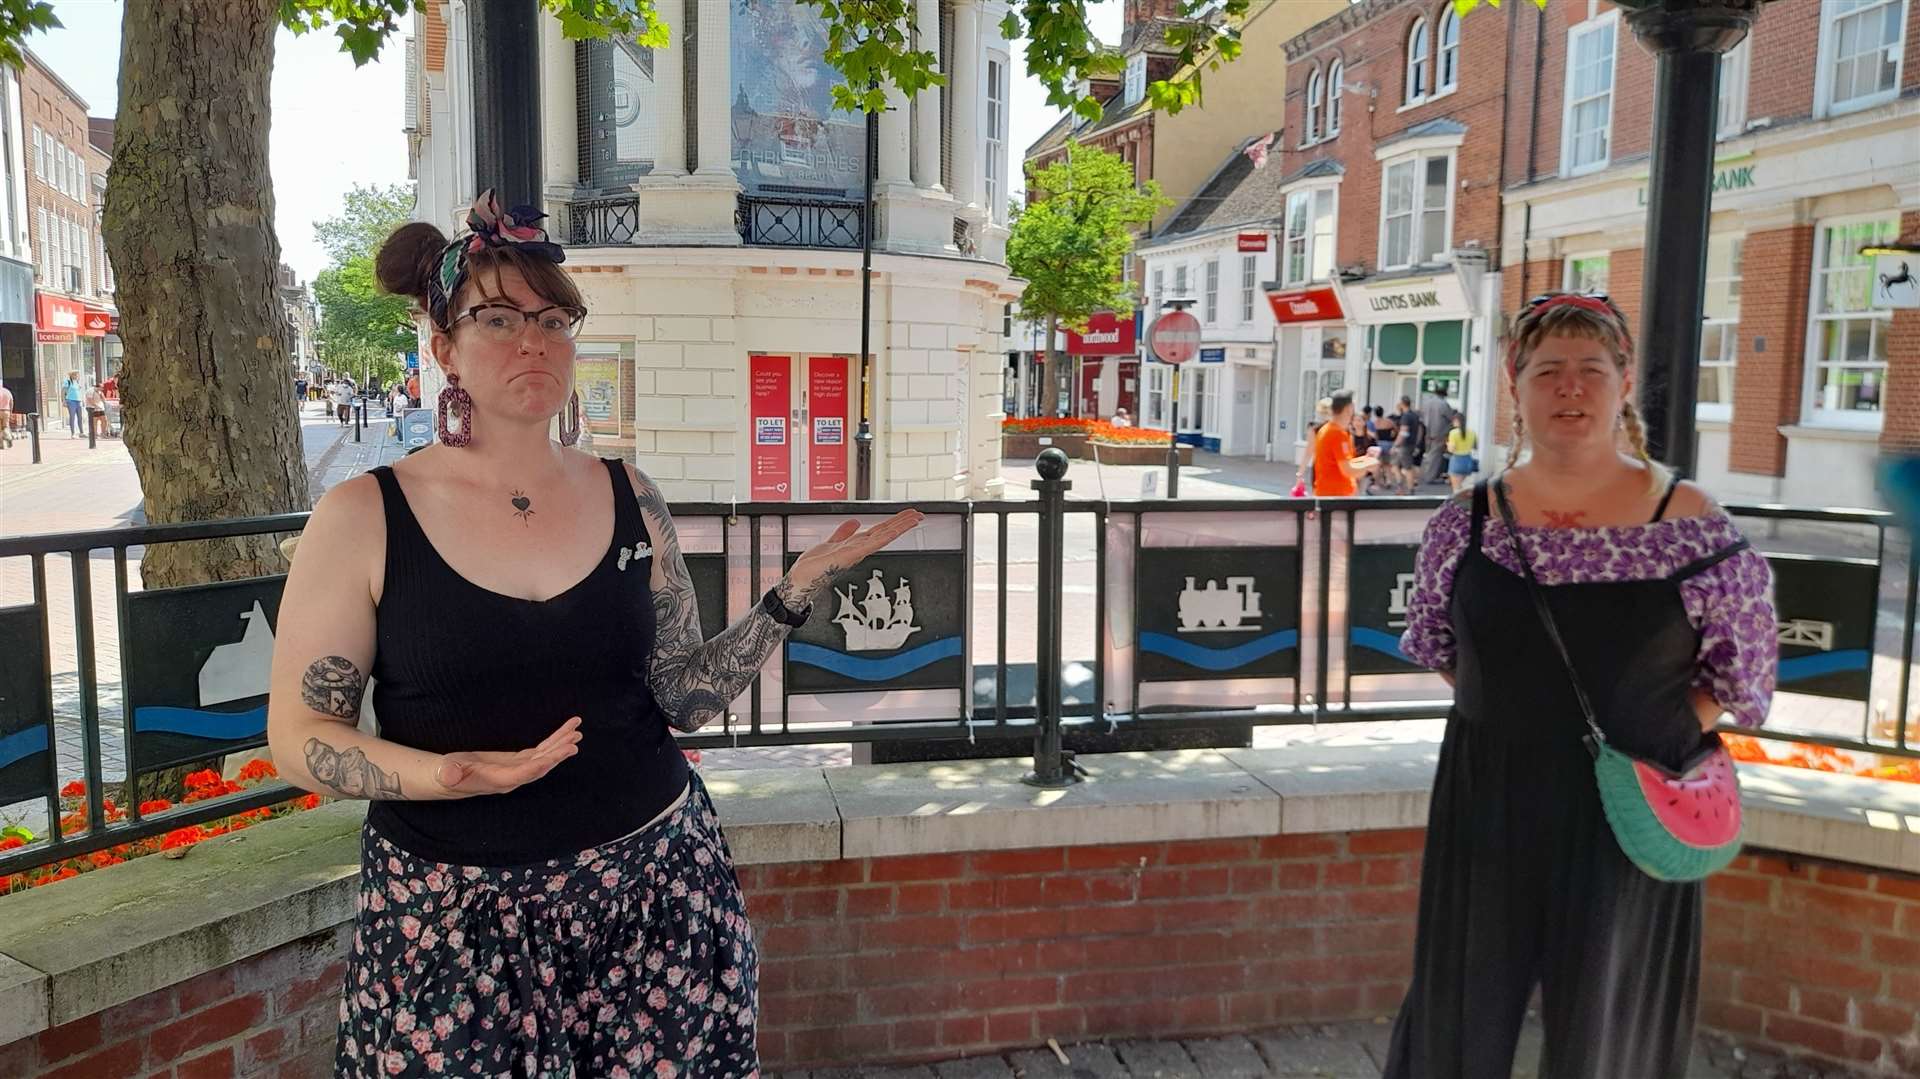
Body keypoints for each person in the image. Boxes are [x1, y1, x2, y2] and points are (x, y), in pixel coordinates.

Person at [265, 189, 925, 1078]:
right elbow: (302, 737)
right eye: (495, 317)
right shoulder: (365, 516)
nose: (532, 339)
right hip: (460, 927)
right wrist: (443, 775)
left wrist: (793, 591)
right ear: (444, 348)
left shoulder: (629, 494)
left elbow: (684, 696)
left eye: (553, 317)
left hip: (657, 894)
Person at [1384, 292, 1777, 1078]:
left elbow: (1744, 674)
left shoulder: (1691, 525)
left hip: (1628, 801)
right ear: (1514, 381)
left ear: (1623, 381)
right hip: (1489, 791)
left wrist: (1645, 728)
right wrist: (1515, 709)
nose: (1570, 388)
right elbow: (1434, 640)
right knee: (1461, 1005)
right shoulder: (1464, 523)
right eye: (1550, 369)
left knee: (1609, 1024)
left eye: (1591, 370)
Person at [1311, 390, 1379, 497]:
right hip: (1336, 497)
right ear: (1349, 408)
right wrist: (1370, 464)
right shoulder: (1337, 433)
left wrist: (1365, 459)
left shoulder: (1330, 430)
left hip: (1333, 496)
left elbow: (1344, 463)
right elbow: (1348, 470)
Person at [1294, 396, 1334, 493]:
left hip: (1322, 467)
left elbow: (1308, 453)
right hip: (1330, 467)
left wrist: (1300, 474)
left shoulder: (1315, 428)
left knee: (1319, 499)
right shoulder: (1337, 428)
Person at [1418, 387, 1452, 485]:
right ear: (1443, 394)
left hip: (1427, 433)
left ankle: (1425, 475)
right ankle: (1431, 477)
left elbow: (1422, 417)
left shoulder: (1426, 403)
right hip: (1439, 433)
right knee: (1435, 457)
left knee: (1428, 455)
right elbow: (1450, 418)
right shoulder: (1443, 404)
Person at [1390, 395, 1424, 495]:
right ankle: (1402, 487)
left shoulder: (1406, 416)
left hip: (1404, 446)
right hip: (1411, 444)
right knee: (1395, 466)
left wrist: (1395, 445)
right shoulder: (1414, 415)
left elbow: (1403, 432)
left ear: (1402, 404)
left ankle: (1409, 489)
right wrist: (1417, 443)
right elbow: (1420, 431)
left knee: (1406, 468)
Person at [1444, 412, 1478, 493]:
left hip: (1457, 460)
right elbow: (1475, 447)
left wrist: (1448, 444)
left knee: (1456, 489)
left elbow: (1451, 449)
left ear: (1457, 421)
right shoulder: (1472, 432)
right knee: (1463, 488)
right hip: (1468, 460)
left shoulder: (1453, 433)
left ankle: (1457, 505)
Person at [62, 372, 82, 437]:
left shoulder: (77, 382)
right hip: (71, 401)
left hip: (78, 401)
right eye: (75, 374)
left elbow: (78, 392)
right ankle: (73, 433)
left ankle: (81, 432)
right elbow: (63, 391)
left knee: (80, 417)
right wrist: (64, 401)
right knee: (72, 417)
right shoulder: (68, 382)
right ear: (72, 375)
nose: (77, 376)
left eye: (77, 374)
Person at [0, 380, 13, 449]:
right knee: (5, 427)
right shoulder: (7, 392)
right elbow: (11, 402)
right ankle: (9, 437)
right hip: (6, 411)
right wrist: (11, 411)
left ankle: (2, 444)